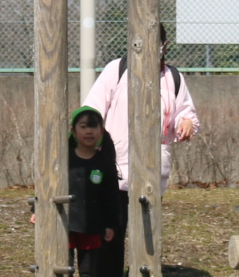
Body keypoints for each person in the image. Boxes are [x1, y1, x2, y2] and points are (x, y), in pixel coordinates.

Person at [83, 23, 201, 198]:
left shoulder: (173, 78)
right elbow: (92, 111)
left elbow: (184, 111)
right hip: (114, 166)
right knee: (114, 222)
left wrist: (187, 122)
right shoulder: (116, 70)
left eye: (155, 42)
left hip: (154, 170)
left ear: (164, 45)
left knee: (149, 221)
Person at [63, 106, 125, 277]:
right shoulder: (64, 158)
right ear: (73, 130)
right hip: (65, 224)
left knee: (89, 269)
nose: (89, 132)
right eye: (83, 127)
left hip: (92, 224)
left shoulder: (104, 161)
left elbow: (110, 195)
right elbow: (45, 185)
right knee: (65, 267)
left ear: (101, 130)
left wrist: (111, 224)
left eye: (93, 126)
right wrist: (37, 210)